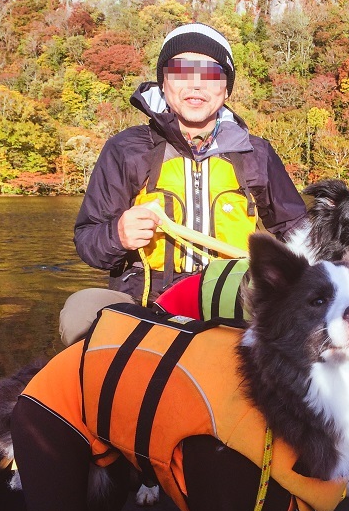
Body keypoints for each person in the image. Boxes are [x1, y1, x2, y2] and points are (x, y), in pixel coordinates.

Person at [60, 23, 306, 345]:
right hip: (148, 303)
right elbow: (88, 239)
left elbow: (298, 231)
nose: (196, 85)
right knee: (78, 314)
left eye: (210, 74)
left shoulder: (256, 153)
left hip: (231, 299)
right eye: (181, 71)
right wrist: (117, 234)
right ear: (164, 83)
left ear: (226, 89)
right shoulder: (126, 149)